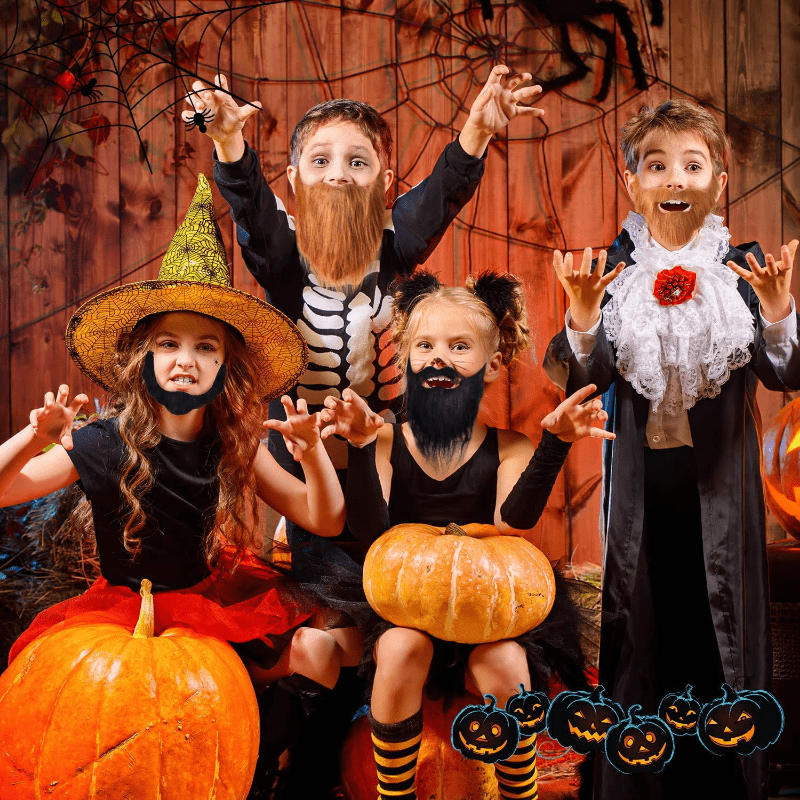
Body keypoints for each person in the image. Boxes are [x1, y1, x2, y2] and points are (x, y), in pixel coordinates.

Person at [0, 175, 360, 796]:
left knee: (327, 651)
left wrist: (312, 456)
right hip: (125, 615)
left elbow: (323, 519)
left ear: (226, 366)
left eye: (205, 348)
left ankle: (263, 777)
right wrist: (31, 440)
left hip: (205, 608)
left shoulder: (234, 444)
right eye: (168, 344)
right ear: (144, 357)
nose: (185, 361)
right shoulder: (105, 440)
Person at [543, 99, 800, 800]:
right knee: (640, 635)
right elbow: (576, 375)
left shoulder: (742, 270)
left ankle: (726, 783)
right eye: (656, 165)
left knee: (721, 637)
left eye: (692, 163)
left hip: (721, 497)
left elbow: (784, 373)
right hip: (639, 502)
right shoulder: (612, 270)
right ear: (633, 183)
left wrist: (778, 311)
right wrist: (583, 317)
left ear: (718, 178)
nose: (674, 177)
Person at [319, 271, 614, 800]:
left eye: (460, 347)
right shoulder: (385, 438)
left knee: (504, 663)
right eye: (425, 346)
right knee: (403, 647)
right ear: (406, 360)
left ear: (494, 364)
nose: (439, 359)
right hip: (403, 606)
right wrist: (362, 448)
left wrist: (554, 445)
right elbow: (371, 532)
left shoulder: (510, 447)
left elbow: (511, 522)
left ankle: (517, 789)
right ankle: (395, 794)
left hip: (488, 609)